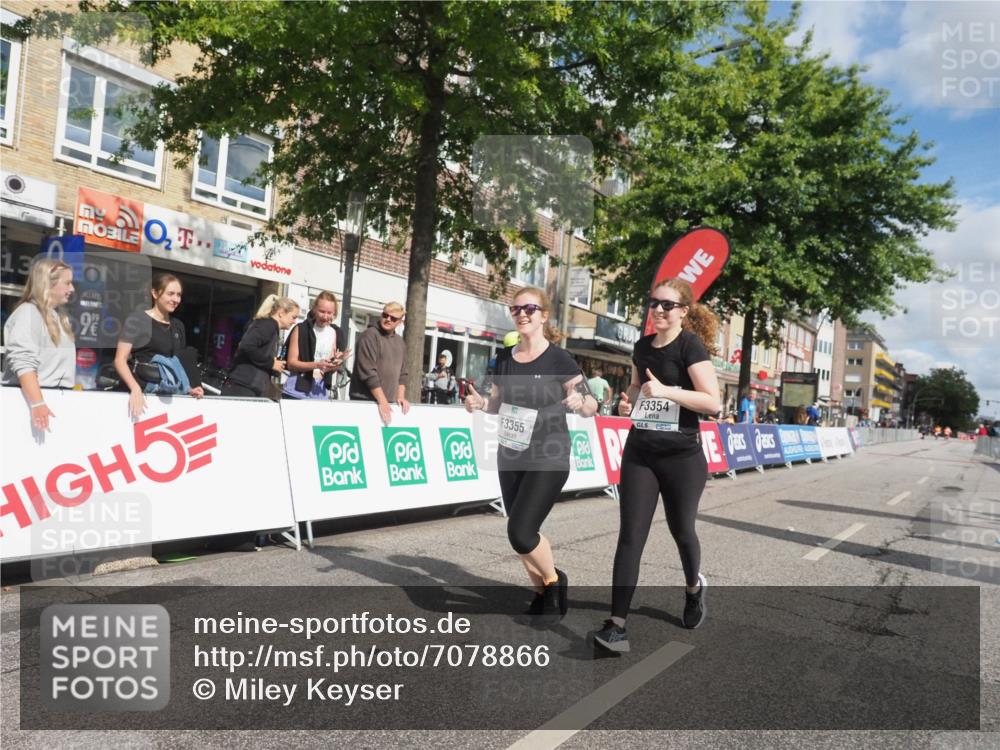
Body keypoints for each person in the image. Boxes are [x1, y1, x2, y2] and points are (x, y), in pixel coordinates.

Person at [591, 278, 721, 652]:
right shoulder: (642, 346)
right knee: (631, 535)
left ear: (683, 311)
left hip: (682, 456)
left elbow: (712, 403)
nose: (659, 310)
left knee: (682, 531)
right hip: (641, 451)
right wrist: (627, 403)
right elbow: (635, 387)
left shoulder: (689, 345)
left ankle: (693, 588)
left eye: (667, 305)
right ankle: (617, 626)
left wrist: (666, 391)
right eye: (654, 304)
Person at [464, 287, 598, 622]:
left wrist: (581, 403)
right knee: (521, 533)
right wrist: (479, 404)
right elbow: (495, 402)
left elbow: (591, 404)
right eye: (516, 309)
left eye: (530, 308)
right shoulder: (506, 358)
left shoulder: (559, 359)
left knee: (521, 532)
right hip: (510, 453)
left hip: (548, 455)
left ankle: (554, 581)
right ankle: (540, 592)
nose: (522, 314)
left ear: (544, 315)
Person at [114, 273, 205, 419]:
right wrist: (135, 389)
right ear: (155, 293)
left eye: (179, 295)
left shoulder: (178, 326)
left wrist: (189, 388)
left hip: (168, 398)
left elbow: (177, 365)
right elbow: (120, 360)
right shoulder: (136, 320)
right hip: (141, 395)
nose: (175, 299)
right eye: (170, 294)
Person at [1, 259, 76, 432]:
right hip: (30, 406)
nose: (72, 289)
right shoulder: (28, 313)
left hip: (54, 402)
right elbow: (23, 363)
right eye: (67, 283)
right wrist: (38, 403)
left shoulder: (59, 317)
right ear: (48, 284)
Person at [222, 295, 300, 399]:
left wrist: (273, 366)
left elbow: (254, 352)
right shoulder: (267, 325)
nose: (294, 321)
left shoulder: (269, 326)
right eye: (293, 317)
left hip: (248, 387)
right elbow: (247, 346)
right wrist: (271, 363)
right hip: (243, 386)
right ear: (281, 313)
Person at [349, 301, 410, 424]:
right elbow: (368, 372)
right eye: (385, 315)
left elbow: (403, 374)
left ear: (400, 322)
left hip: (388, 403)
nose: (388, 319)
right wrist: (382, 401)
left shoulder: (400, 342)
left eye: (393, 318)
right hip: (365, 402)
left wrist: (401, 396)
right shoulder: (369, 336)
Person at [283, 291, 349, 400]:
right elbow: (291, 364)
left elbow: (327, 370)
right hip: (296, 390)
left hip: (320, 391)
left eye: (329, 313)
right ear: (314, 309)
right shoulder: (301, 329)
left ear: (334, 313)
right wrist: (317, 364)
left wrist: (336, 363)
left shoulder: (336, 333)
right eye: (322, 311)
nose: (325, 316)